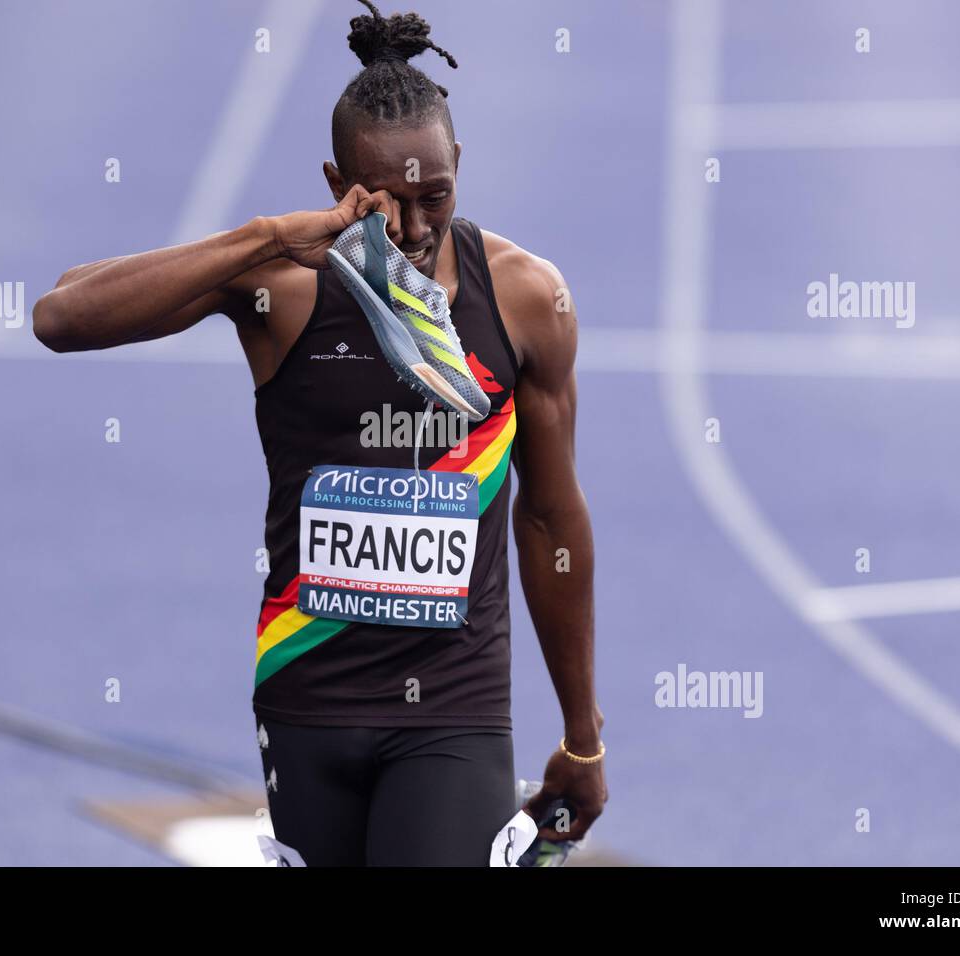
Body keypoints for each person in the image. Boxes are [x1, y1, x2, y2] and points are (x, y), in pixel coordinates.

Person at [33, 0, 605, 866]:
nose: (412, 230)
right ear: (337, 179)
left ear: (460, 166)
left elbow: (551, 519)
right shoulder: (284, 285)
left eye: (435, 197)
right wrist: (262, 236)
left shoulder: (526, 298)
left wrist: (582, 732)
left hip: (455, 704)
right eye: (383, 202)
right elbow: (62, 316)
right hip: (308, 696)